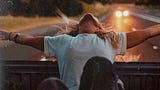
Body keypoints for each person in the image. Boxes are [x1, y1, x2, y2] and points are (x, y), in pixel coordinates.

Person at [0, 13, 160, 90]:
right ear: (77, 29)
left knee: (102, 65)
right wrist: (9, 35)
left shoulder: (111, 40)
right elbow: (29, 40)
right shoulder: (62, 41)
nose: (89, 15)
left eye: (95, 18)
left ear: (99, 28)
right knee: (49, 85)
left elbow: (150, 32)